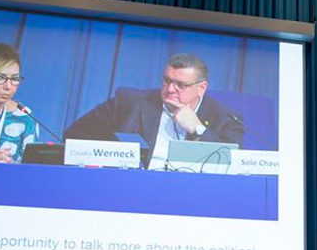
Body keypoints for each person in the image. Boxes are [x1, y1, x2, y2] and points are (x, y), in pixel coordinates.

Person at [63, 53, 244, 169]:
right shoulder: (128, 102)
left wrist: (197, 129)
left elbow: (230, 164)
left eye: (180, 85)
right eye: (166, 81)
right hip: (131, 188)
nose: (170, 89)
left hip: (191, 194)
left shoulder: (225, 117)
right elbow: (74, 135)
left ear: (201, 88)